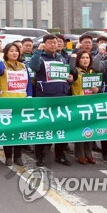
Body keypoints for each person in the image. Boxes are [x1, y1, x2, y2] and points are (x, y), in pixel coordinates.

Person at [29, 34, 73, 167]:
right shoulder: (40, 57)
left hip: (62, 96)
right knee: (43, 127)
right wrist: (37, 51)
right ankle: (40, 156)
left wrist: (69, 80)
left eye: (55, 42)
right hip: (45, 97)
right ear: (44, 44)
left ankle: (60, 154)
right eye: (50, 43)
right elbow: (34, 67)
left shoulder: (61, 59)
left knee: (62, 128)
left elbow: (66, 75)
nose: (53, 45)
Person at [0, 43, 33, 166]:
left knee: (19, 130)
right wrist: (0, 57)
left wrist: (29, 96)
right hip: (6, 101)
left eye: (16, 51)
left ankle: (18, 156)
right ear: (6, 53)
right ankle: (8, 156)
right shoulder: (3, 65)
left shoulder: (23, 66)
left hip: (21, 102)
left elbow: (28, 84)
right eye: (11, 51)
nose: (14, 53)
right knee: (8, 130)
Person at [69, 50, 99, 165]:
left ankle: (89, 153)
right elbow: (71, 70)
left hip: (92, 104)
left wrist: (97, 90)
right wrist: (73, 57)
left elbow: (99, 86)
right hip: (79, 104)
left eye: (87, 58)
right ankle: (80, 154)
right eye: (83, 58)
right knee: (81, 130)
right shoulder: (76, 71)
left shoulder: (93, 72)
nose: (85, 60)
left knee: (91, 130)